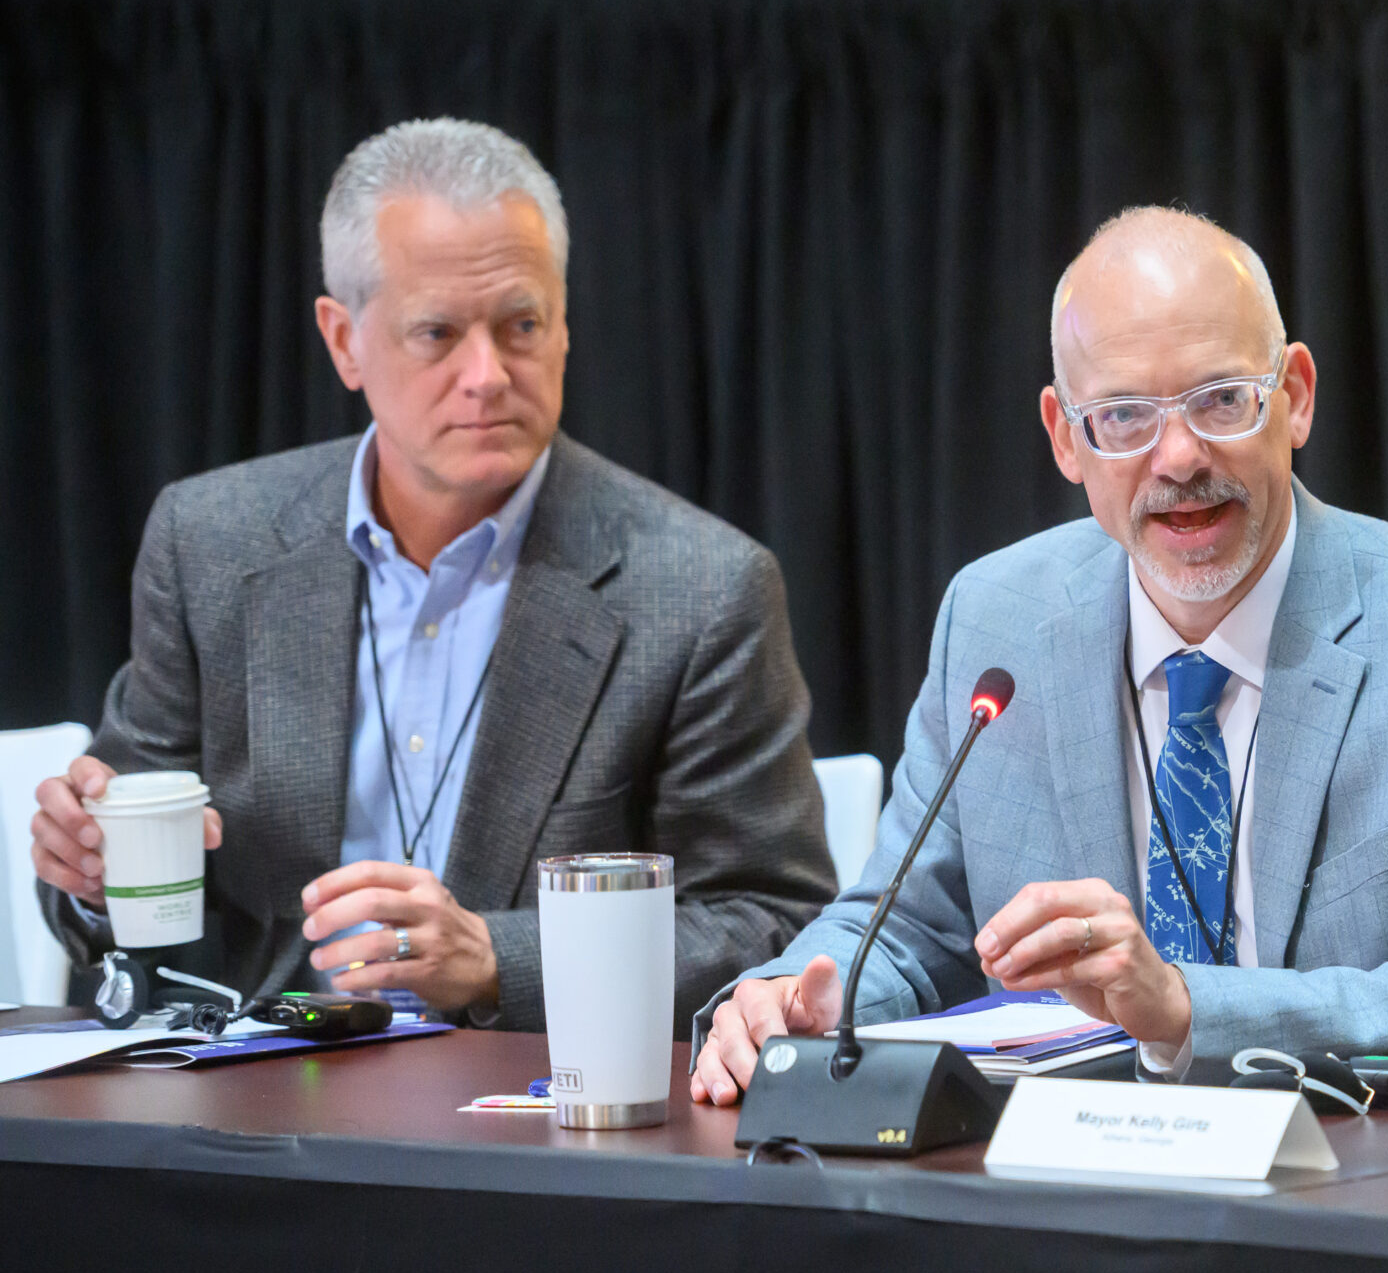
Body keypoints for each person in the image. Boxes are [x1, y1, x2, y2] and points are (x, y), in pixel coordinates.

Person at [690, 206, 1388, 1102]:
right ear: (1065, 437)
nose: (1182, 456)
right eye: (1123, 416)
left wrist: (1185, 1007)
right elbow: (910, 928)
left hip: (1342, 1203)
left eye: (1222, 399)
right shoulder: (995, 620)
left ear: (1297, 395)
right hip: (1058, 1202)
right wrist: (800, 994)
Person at [29, 118, 833, 1030]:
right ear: (343, 341)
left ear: (565, 326)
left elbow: (775, 924)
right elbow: (125, 885)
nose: (487, 374)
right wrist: (95, 875)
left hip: (538, 1117)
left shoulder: (698, 590)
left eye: (522, 325)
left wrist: (497, 959)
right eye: (438, 333)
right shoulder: (211, 543)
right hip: (260, 1110)